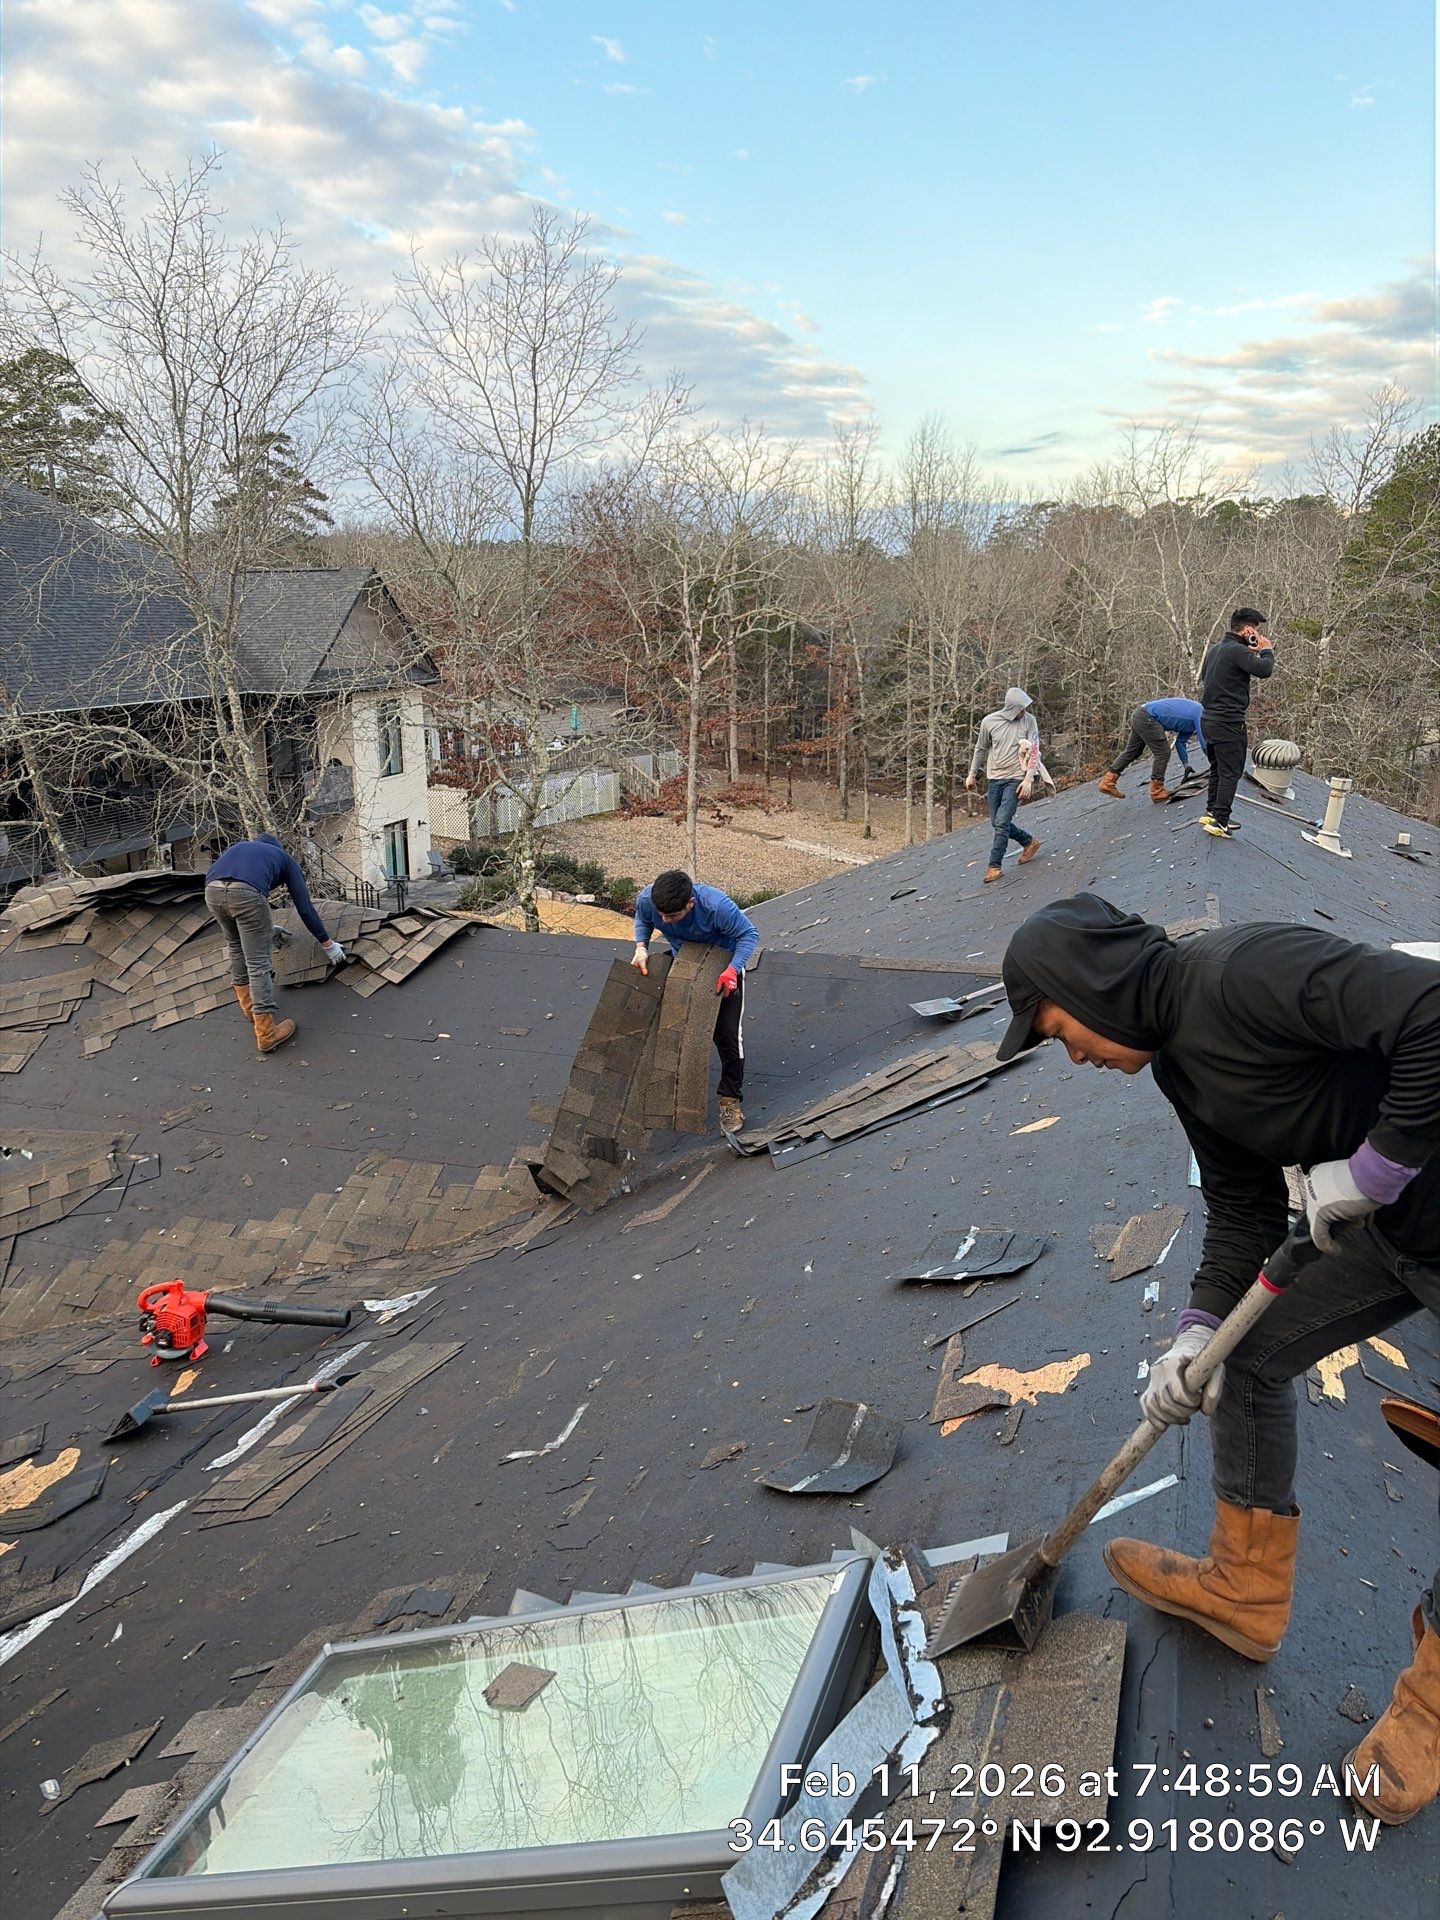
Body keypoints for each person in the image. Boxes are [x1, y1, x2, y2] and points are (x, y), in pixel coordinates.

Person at [994, 894, 1439, 1827]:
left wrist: (1371, 1171)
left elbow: (1434, 1012)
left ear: (1092, 986)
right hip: (1401, 1233)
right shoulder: (1182, 1073)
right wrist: (1197, 1331)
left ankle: (1429, 1713)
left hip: (1403, 1200)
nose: (1071, 1055)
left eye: (1061, 1031)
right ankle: (1245, 1587)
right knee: (1248, 1350)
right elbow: (1240, 1211)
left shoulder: (1246, 971)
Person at [632, 869, 759, 1132]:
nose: (665, 921)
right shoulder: (648, 899)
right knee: (668, 1023)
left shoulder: (717, 906)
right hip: (685, 961)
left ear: (690, 903)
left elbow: (749, 936)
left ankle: (730, 1099)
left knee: (726, 1034)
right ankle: (663, 1097)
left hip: (724, 961)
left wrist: (733, 969)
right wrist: (641, 947)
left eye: (673, 916)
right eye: (662, 915)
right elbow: (643, 919)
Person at [204, 831, 345, 1055]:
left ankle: (250, 1010)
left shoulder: (240, 848)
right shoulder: (285, 859)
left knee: (236, 947)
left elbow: (227, 884)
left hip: (212, 892)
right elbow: (305, 909)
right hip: (247, 895)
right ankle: (266, 1033)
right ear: (278, 848)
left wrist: (265, 929)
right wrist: (328, 944)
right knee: (258, 963)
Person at [1197, 607, 1274, 838]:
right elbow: (1265, 670)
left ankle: (1212, 811)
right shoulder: (1237, 652)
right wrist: (1266, 649)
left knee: (1218, 768)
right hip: (1229, 722)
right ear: (1248, 629)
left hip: (1208, 719)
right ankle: (1220, 820)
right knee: (1231, 772)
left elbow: (1205, 678)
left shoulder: (1215, 650)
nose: (1258, 637)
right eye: (1257, 632)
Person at [965, 686, 1043, 883]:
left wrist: (1028, 780)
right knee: (997, 822)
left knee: (1001, 823)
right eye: (1020, 708)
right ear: (1011, 708)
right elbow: (980, 748)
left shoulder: (1029, 721)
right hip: (994, 778)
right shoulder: (989, 722)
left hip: (1016, 778)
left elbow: (1034, 751)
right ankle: (1028, 842)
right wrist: (972, 774)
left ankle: (994, 866)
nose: (1024, 711)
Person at [1097, 697, 1208, 803]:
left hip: (1139, 714)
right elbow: (1204, 744)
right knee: (1163, 753)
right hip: (1148, 717)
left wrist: (1186, 765)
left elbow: (1180, 743)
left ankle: (1108, 781)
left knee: (1132, 751)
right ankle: (1157, 791)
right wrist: (1216, 763)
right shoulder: (1201, 712)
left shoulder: (1191, 719)